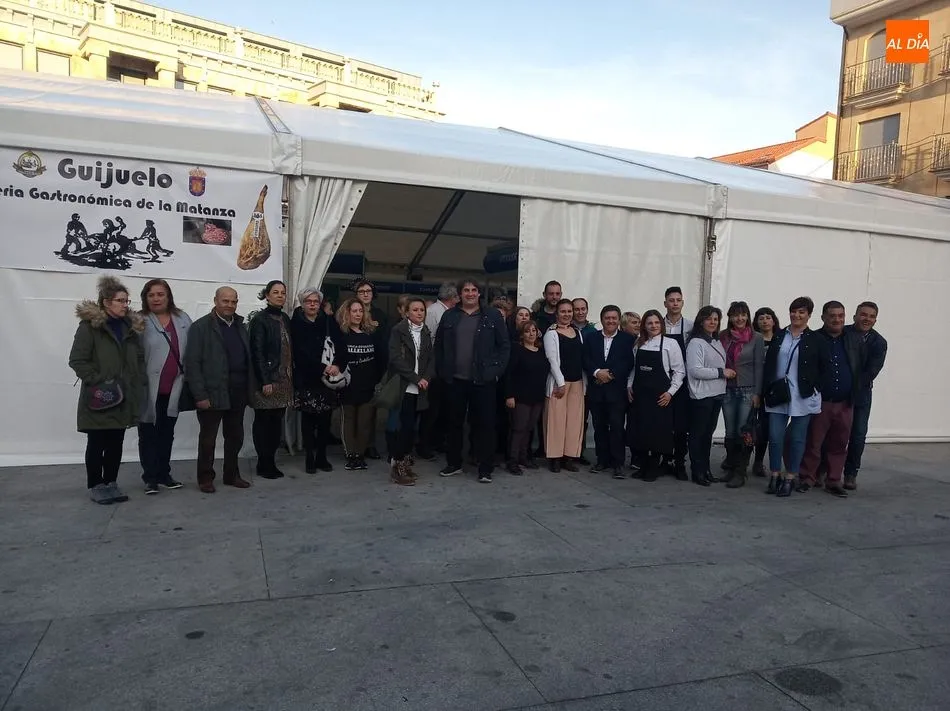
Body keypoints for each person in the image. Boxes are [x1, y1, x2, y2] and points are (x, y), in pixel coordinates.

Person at [68, 275, 145, 504]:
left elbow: (138, 359)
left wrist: (135, 380)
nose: (125, 305)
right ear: (106, 302)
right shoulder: (90, 328)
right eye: (120, 300)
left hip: (124, 395)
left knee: (116, 442)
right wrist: (99, 381)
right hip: (99, 396)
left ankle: (111, 482)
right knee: (97, 442)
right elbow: (77, 360)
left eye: (126, 301)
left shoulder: (130, 329)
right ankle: (96, 484)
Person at [434, 278, 510, 483]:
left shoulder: (492, 316)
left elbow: (504, 347)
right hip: (455, 381)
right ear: (460, 294)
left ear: (479, 293)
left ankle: (485, 468)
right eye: (466, 290)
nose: (470, 293)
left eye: (473, 290)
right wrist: (442, 371)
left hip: (483, 381)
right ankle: (454, 463)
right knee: (454, 424)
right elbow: (439, 346)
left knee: (485, 425)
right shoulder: (449, 316)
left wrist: (495, 372)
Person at [185, 287, 253, 493]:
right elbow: (192, 364)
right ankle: (205, 478)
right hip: (212, 392)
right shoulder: (200, 327)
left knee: (235, 437)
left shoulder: (241, 326)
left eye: (233, 301)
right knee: (208, 439)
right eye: (225, 301)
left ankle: (232, 475)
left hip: (238, 390)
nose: (230, 305)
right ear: (215, 300)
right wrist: (200, 395)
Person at [797, 301, 866, 498]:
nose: (837, 319)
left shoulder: (854, 339)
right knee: (814, 443)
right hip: (821, 402)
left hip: (845, 402)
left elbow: (861, 367)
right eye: (832, 316)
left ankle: (834, 480)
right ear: (823, 318)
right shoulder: (814, 338)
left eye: (841, 316)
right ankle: (807, 478)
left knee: (839, 444)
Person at [762, 297, 823, 498]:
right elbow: (769, 364)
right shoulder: (780, 336)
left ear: (809, 315)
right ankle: (775, 474)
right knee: (775, 437)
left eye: (801, 312)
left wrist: (815, 387)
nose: (796, 316)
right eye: (793, 311)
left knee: (797, 438)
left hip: (802, 395)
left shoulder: (814, 339)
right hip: (778, 394)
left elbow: (823, 367)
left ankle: (790, 477)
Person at [138, 278, 191, 494]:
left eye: (160, 294)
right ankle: (150, 477)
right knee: (148, 433)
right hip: (148, 389)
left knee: (166, 433)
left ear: (168, 296)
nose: (156, 298)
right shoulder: (139, 320)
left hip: (174, 389)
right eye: (151, 295)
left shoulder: (183, 318)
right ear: (145, 298)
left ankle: (164, 473)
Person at [290, 288, 347, 474]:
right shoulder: (296, 323)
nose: (312, 304)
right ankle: (309, 457)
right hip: (308, 378)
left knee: (325, 421)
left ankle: (322, 456)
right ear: (302, 303)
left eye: (315, 301)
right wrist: (321, 367)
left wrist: (337, 365)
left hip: (328, 380)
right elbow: (298, 352)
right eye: (308, 301)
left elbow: (341, 345)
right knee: (307, 422)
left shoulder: (329, 321)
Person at [626, 310, 685, 482]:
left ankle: (653, 467)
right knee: (641, 431)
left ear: (661, 324)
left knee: (658, 432)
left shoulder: (670, 344)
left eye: (657, 323)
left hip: (660, 396)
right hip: (640, 395)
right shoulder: (639, 344)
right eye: (650, 323)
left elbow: (679, 371)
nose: (653, 326)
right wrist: (629, 386)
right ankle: (643, 466)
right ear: (644, 325)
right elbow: (633, 368)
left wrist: (670, 393)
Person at [385, 297, 435, 485]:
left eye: (422, 310)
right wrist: (415, 378)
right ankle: (397, 467)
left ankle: (405, 464)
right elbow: (395, 359)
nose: (419, 313)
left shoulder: (426, 332)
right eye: (415, 310)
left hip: (420, 388)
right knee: (403, 428)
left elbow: (431, 359)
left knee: (411, 428)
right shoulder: (398, 331)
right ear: (406, 312)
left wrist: (427, 378)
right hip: (404, 386)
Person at [583, 305, 635, 478]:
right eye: (607, 318)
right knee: (599, 427)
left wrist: (610, 374)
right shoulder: (591, 338)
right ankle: (602, 460)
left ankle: (618, 463)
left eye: (614, 318)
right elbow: (586, 359)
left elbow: (628, 362)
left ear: (619, 320)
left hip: (617, 392)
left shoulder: (628, 339)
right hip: (596, 390)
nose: (611, 321)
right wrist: (597, 372)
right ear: (602, 319)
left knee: (617, 427)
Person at [248, 280, 293, 480]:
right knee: (264, 422)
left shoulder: (284, 317)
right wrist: (264, 380)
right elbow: (257, 352)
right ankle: (263, 462)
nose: (280, 295)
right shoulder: (260, 319)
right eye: (275, 292)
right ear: (267, 295)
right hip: (267, 380)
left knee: (276, 423)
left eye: (283, 292)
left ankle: (271, 460)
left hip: (284, 380)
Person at [718, 301, 764, 489]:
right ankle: (731, 467)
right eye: (735, 315)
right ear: (729, 317)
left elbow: (759, 366)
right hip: (727, 389)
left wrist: (757, 393)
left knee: (743, 431)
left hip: (747, 389)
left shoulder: (756, 337)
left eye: (743, 314)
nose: (739, 318)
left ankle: (740, 471)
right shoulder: (723, 336)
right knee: (730, 432)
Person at [843, 301, 887, 490]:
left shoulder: (879, 342)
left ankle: (851, 474)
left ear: (875, 320)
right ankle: (824, 470)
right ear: (855, 316)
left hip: (861, 394)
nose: (866, 319)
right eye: (863, 314)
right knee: (832, 433)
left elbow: (872, 370)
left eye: (871, 316)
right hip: (837, 392)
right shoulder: (842, 333)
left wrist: (852, 384)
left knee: (858, 435)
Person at [337, 298, 384, 471]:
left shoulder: (371, 334)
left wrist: (377, 381)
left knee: (364, 423)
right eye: (354, 311)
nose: (357, 314)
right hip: (348, 387)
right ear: (347, 313)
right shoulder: (341, 335)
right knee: (348, 421)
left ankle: (360, 454)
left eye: (360, 311)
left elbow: (380, 359)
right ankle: (351, 455)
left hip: (368, 386)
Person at [686, 306, 730, 487]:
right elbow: (695, 370)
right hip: (702, 395)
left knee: (707, 435)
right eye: (709, 319)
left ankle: (706, 469)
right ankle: (697, 471)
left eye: (715, 319)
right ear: (701, 321)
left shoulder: (715, 341)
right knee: (698, 434)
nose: (712, 322)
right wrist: (721, 372)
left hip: (717, 394)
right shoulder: (696, 342)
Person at [543, 299, 587, 472]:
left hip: (577, 382)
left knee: (574, 422)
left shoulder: (577, 332)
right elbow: (552, 360)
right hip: (559, 384)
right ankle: (555, 458)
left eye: (570, 311)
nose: (567, 314)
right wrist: (560, 383)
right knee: (556, 421)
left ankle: (568, 457)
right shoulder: (551, 334)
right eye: (563, 311)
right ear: (557, 313)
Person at [419, 282, 459, 458]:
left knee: (442, 408)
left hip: (444, 367)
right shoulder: (435, 312)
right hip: (434, 367)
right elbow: (429, 342)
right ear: (452, 297)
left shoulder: (444, 311)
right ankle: (424, 444)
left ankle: (436, 441)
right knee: (432, 409)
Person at [504, 320, 548, 474]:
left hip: (537, 396)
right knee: (518, 428)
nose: (531, 334)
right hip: (520, 396)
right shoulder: (517, 350)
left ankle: (524, 457)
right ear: (522, 334)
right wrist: (509, 395)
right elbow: (509, 374)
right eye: (527, 331)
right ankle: (512, 460)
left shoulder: (541, 351)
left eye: (533, 331)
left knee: (529, 428)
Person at [353, 279, 389, 460]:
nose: (365, 294)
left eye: (368, 291)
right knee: (353, 410)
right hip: (353, 367)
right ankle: (354, 446)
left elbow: (385, 343)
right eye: (361, 291)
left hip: (375, 367)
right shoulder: (350, 312)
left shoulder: (380, 314)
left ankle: (370, 444)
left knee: (372, 409)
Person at [663, 287, 693, 479]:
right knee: (663, 423)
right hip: (661, 379)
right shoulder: (658, 325)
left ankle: (680, 461)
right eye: (671, 300)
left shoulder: (690, 326)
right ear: (665, 303)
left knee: (681, 425)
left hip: (683, 381)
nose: (675, 303)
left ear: (683, 303)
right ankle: (665, 460)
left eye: (678, 300)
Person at [751, 307, 780, 477]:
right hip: (754, 387)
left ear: (773, 321)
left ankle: (759, 461)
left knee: (766, 427)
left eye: (768, 317)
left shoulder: (780, 340)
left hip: (772, 390)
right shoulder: (753, 340)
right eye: (761, 318)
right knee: (749, 426)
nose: (765, 321)